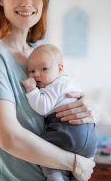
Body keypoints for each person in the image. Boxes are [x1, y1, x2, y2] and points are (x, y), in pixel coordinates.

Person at [0, 0, 97, 181]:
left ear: (44, 1)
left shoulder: (38, 53)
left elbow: (64, 95)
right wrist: (74, 163)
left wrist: (87, 109)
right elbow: (9, 138)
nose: (27, 2)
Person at [21, 44, 97, 181]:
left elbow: (43, 107)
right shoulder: (69, 82)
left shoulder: (53, 85)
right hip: (90, 141)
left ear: (59, 68)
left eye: (44, 69)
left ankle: (54, 177)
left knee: (40, 148)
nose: (37, 74)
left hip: (67, 133)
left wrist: (32, 90)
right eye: (32, 71)